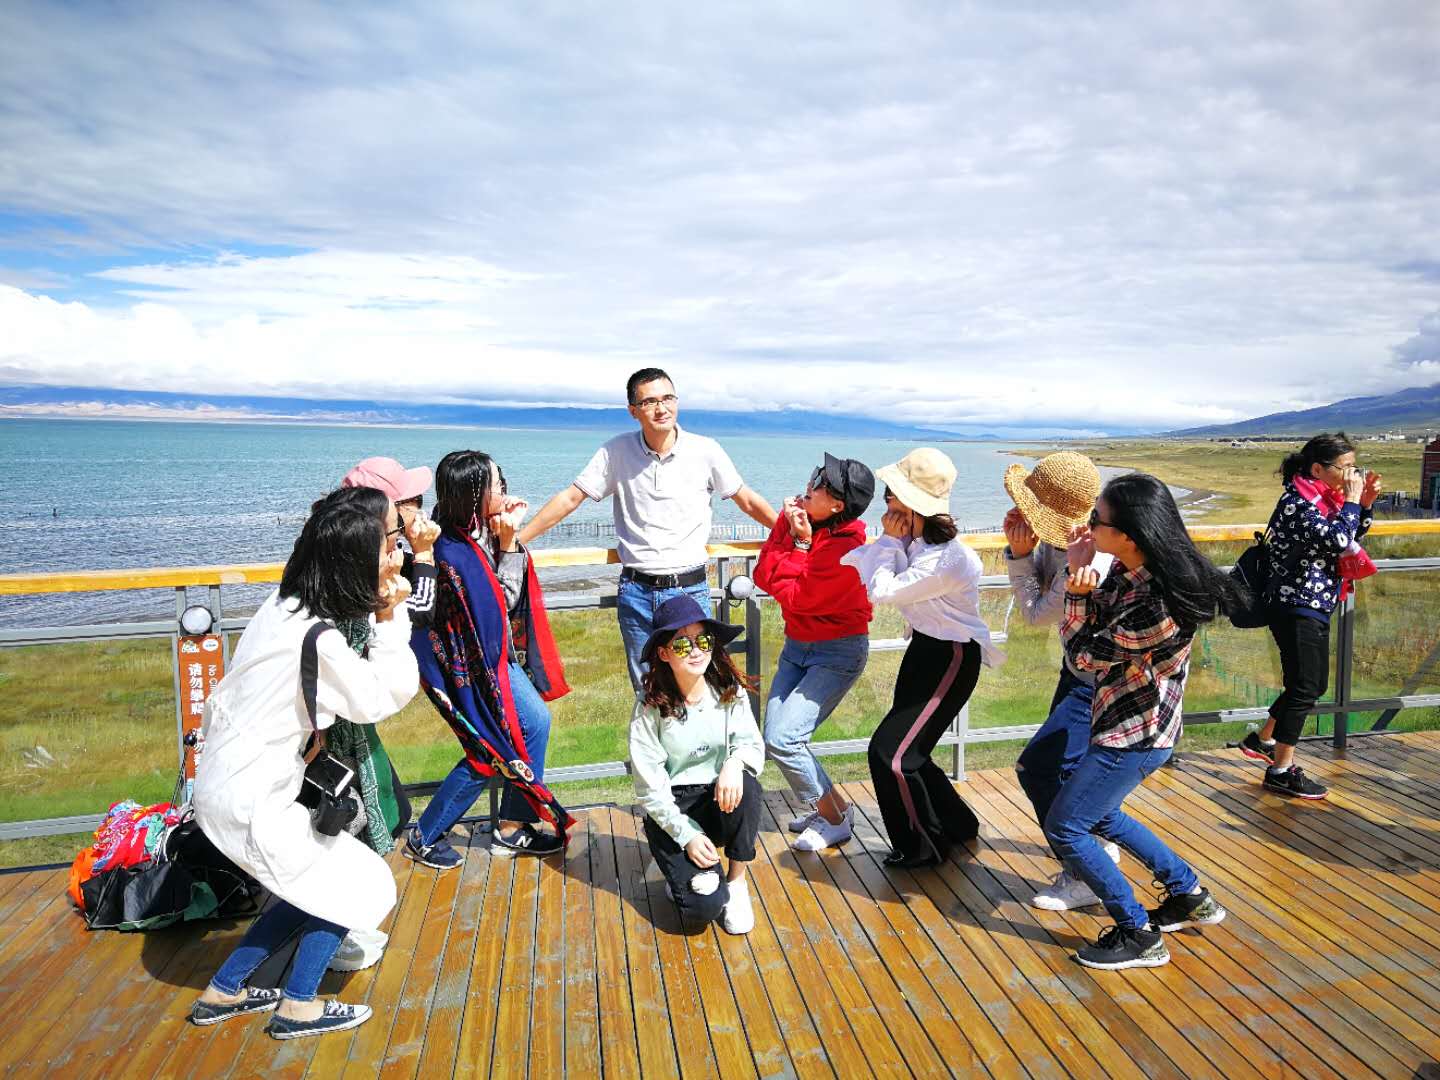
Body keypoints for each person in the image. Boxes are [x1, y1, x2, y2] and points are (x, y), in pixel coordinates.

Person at [189, 497, 417, 1038]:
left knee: (308, 882)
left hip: (228, 782)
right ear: (354, 559)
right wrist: (389, 614)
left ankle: (224, 990)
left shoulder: (285, 604)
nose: (397, 553)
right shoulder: (319, 637)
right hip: (253, 796)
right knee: (355, 884)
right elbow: (379, 697)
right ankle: (298, 1006)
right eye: (390, 542)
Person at [1048, 472, 1243, 970]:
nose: (1088, 526)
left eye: (1096, 519)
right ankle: (1189, 895)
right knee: (1101, 816)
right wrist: (1083, 575)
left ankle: (1138, 933)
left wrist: (1076, 593)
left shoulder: (1158, 607)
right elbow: (1099, 627)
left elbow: (1082, 657)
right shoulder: (1135, 573)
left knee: (1067, 827)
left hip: (1134, 734)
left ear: (1130, 536)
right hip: (1130, 727)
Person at [519, 368, 778, 689]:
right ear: (633, 411)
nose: (661, 408)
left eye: (668, 398)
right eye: (650, 401)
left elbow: (747, 500)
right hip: (636, 593)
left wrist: (793, 533)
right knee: (648, 689)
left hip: (689, 589)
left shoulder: (705, 450)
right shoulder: (616, 451)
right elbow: (571, 498)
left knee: (695, 685)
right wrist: (516, 542)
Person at [408, 450, 572, 869]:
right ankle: (428, 834)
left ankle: (512, 825)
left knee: (528, 726)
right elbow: (504, 600)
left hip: (490, 661)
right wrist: (509, 544)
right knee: (487, 749)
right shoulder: (451, 550)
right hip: (475, 670)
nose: (505, 492)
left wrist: (504, 535)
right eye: (498, 485)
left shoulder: (465, 532)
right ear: (475, 493)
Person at [842, 448, 1002, 868]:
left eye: (892, 494)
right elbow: (866, 565)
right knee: (910, 751)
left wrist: (887, 542)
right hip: (925, 651)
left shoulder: (948, 558)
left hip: (951, 656)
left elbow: (882, 591)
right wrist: (889, 543)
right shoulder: (918, 542)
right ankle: (958, 824)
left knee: (891, 755)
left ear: (913, 503)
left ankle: (923, 846)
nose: (886, 502)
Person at [1001, 452, 1123, 910]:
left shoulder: (1091, 560)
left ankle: (1085, 871)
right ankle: (1094, 854)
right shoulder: (1068, 542)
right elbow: (1044, 600)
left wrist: (1019, 556)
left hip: (1094, 679)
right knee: (1071, 772)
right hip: (1078, 670)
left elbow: (1036, 613)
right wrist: (1029, 549)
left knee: (1041, 770)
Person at [1239, 433, 1380, 799]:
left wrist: (1363, 505)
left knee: (1310, 685)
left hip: (1314, 603)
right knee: (1305, 687)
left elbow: (1351, 536)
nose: (1352, 475)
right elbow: (1337, 540)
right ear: (1318, 469)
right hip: (1294, 605)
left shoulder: (1324, 499)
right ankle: (1280, 770)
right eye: (1345, 468)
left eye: (1355, 467)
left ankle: (1262, 739)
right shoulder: (1297, 502)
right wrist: (1353, 502)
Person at [754, 453, 875, 852]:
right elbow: (763, 576)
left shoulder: (849, 549)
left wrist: (800, 543)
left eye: (822, 482)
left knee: (785, 739)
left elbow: (794, 596)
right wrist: (787, 528)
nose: (811, 483)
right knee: (776, 737)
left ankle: (834, 820)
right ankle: (835, 808)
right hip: (797, 647)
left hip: (837, 653)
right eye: (816, 474)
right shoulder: (806, 524)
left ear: (838, 505)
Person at [630, 594, 765, 934]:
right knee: (703, 909)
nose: (695, 650)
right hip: (673, 811)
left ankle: (736, 883)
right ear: (664, 653)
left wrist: (733, 763)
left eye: (703, 640)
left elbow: (751, 745)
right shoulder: (649, 708)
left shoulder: (729, 690)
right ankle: (686, 876)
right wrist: (686, 835)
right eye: (682, 644)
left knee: (748, 785)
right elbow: (650, 788)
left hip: (719, 800)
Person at [342, 455, 442, 628]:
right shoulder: (364, 561)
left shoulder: (352, 544)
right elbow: (420, 610)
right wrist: (423, 554)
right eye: (417, 500)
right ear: (390, 509)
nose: (419, 510)